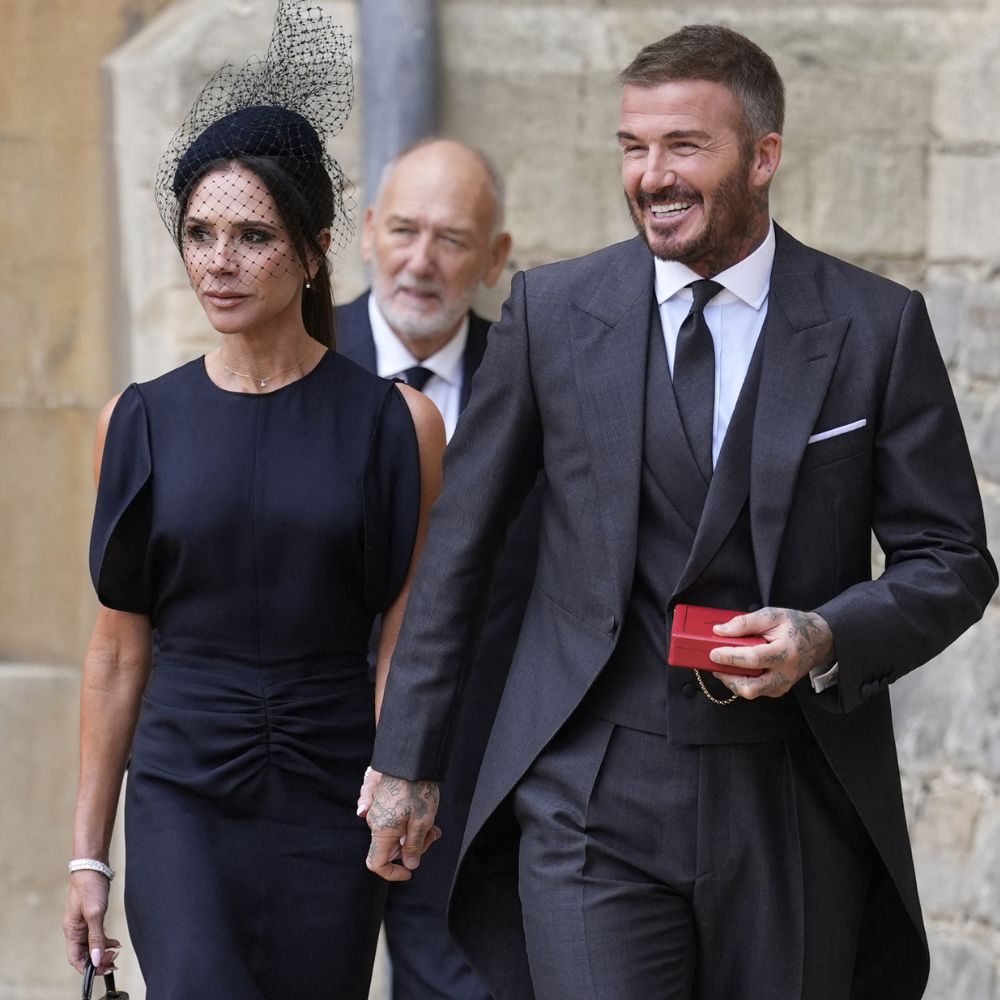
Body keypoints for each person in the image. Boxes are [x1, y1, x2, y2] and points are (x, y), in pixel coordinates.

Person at [361, 23, 999, 1000]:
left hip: (787, 792)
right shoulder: (554, 315)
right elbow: (461, 552)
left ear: (763, 155)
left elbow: (951, 556)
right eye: (632, 147)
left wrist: (826, 632)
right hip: (588, 786)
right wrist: (405, 760)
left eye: (683, 146)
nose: (650, 175)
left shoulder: (874, 325)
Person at [61, 3, 445, 996]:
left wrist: (403, 776)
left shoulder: (396, 425)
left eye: (250, 236)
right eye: (198, 233)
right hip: (181, 795)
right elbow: (115, 652)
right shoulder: (136, 421)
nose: (217, 262)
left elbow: (407, 633)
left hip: (334, 796)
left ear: (315, 249)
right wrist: (88, 854)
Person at [340, 138, 536, 1000]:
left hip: (473, 795)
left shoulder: (539, 383)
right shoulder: (293, 355)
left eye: (452, 240)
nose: (420, 262)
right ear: (370, 231)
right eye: (406, 230)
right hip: (308, 774)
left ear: (495, 259)